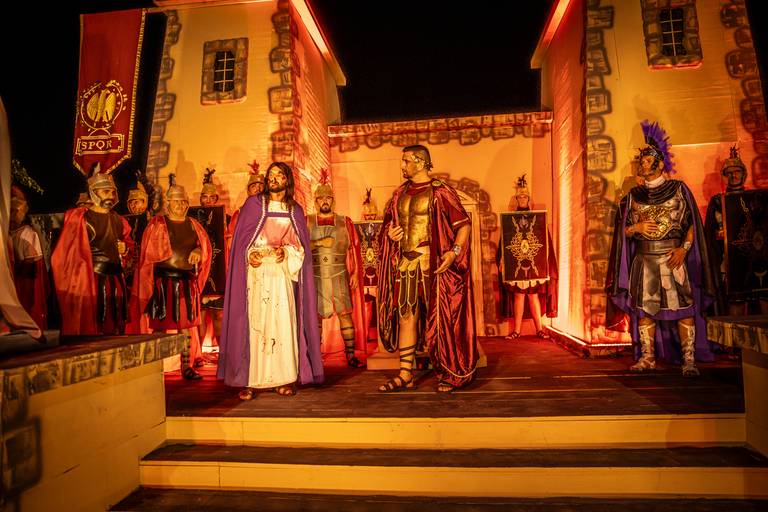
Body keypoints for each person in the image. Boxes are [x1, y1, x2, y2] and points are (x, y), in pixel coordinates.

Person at [606, 121, 717, 376]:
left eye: (647, 161)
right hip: (644, 260)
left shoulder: (678, 190)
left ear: (659, 164)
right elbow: (624, 232)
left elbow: (692, 224)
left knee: (683, 309)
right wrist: (636, 228)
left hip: (673, 257)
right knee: (645, 310)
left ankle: (689, 360)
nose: (642, 164)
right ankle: (647, 357)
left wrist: (684, 249)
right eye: (641, 161)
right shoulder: (633, 196)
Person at [377, 144, 478, 393]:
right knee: (406, 317)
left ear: (421, 162)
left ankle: (448, 372)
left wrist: (453, 253)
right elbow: (387, 226)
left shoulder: (440, 191)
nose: (402, 165)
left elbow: (463, 225)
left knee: (440, 320)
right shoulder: (399, 194)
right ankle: (405, 374)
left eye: (406, 160)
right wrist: (390, 234)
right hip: (406, 263)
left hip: (433, 266)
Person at [218, 162, 323, 399]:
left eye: (279, 174)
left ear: (287, 180)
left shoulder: (295, 210)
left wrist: (285, 252)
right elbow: (241, 242)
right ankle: (251, 380)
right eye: (271, 174)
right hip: (256, 276)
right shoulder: (253, 205)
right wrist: (249, 255)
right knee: (255, 326)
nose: (273, 178)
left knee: (282, 325)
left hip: (281, 276)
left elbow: (300, 247)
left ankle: (284, 378)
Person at [128, 174, 211, 380]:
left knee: (185, 327)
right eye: (176, 201)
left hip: (185, 282)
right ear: (168, 203)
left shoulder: (194, 225)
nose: (180, 205)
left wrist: (199, 251)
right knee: (159, 327)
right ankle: (154, 369)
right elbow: (148, 254)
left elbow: (205, 247)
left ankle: (186, 367)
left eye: (183, 201)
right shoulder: (157, 224)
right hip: (162, 283)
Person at [52, 165, 133, 335]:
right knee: (94, 324)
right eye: (105, 192)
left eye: (113, 192)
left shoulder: (120, 221)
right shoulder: (81, 219)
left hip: (116, 280)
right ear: (93, 193)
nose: (110, 196)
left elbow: (130, 247)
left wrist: (125, 249)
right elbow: (67, 253)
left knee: (115, 325)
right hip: (91, 280)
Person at [307, 170, 367, 367]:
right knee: (315, 318)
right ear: (316, 201)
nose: (325, 201)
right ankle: (314, 358)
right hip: (315, 275)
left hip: (339, 274)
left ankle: (350, 356)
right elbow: (301, 247)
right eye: (321, 198)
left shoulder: (345, 222)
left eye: (328, 198)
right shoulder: (307, 221)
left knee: (345, 314)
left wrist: (355, 272)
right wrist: (319, 243)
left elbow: (354, 248)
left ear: (332, 200)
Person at [703, 146, 763, 315]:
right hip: (730, 261)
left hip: (756, 260)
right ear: (724, 176)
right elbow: (710, 236)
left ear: (744, 174)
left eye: (737, 172)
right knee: (735, 303)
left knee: (762, 300)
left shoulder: (756, 200)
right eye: (729, 173)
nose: (733, 176)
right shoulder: (717, 202)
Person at [497, 174, 557, 340]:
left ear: (528, 199)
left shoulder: (537, 219)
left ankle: (539, 329)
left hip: (532, 262)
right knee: (518, 295)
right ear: (517, 199)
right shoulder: (510, 220)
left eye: (525, 196)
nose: (522, 199)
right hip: (517, 262)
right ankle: (516, 331)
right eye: (520, 197)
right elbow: (506, 242)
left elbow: (543, 242)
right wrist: (503, 260)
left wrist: (544, 262)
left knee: (533, 295)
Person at [8, 160, 48, 330]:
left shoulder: (28, 234)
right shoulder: (5, 234)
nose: (12, 215)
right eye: (9, 211)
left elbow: (32, 268)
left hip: (23, 284)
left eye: (16, 211)